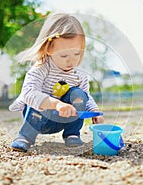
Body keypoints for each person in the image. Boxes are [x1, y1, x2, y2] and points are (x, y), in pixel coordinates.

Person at [9, 12, 104, 152]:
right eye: (64, 55)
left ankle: (72, 133)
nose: (71, 60)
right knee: (36, 98)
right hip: (37, 120)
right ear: (49, 49)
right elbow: (28, 94)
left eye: (77, 54)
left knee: (79, 93)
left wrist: (94, 111)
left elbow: (87, 97)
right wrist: (56, 104)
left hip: (64, 120)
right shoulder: (40, 69)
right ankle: (25, 137)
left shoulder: (79, 75)